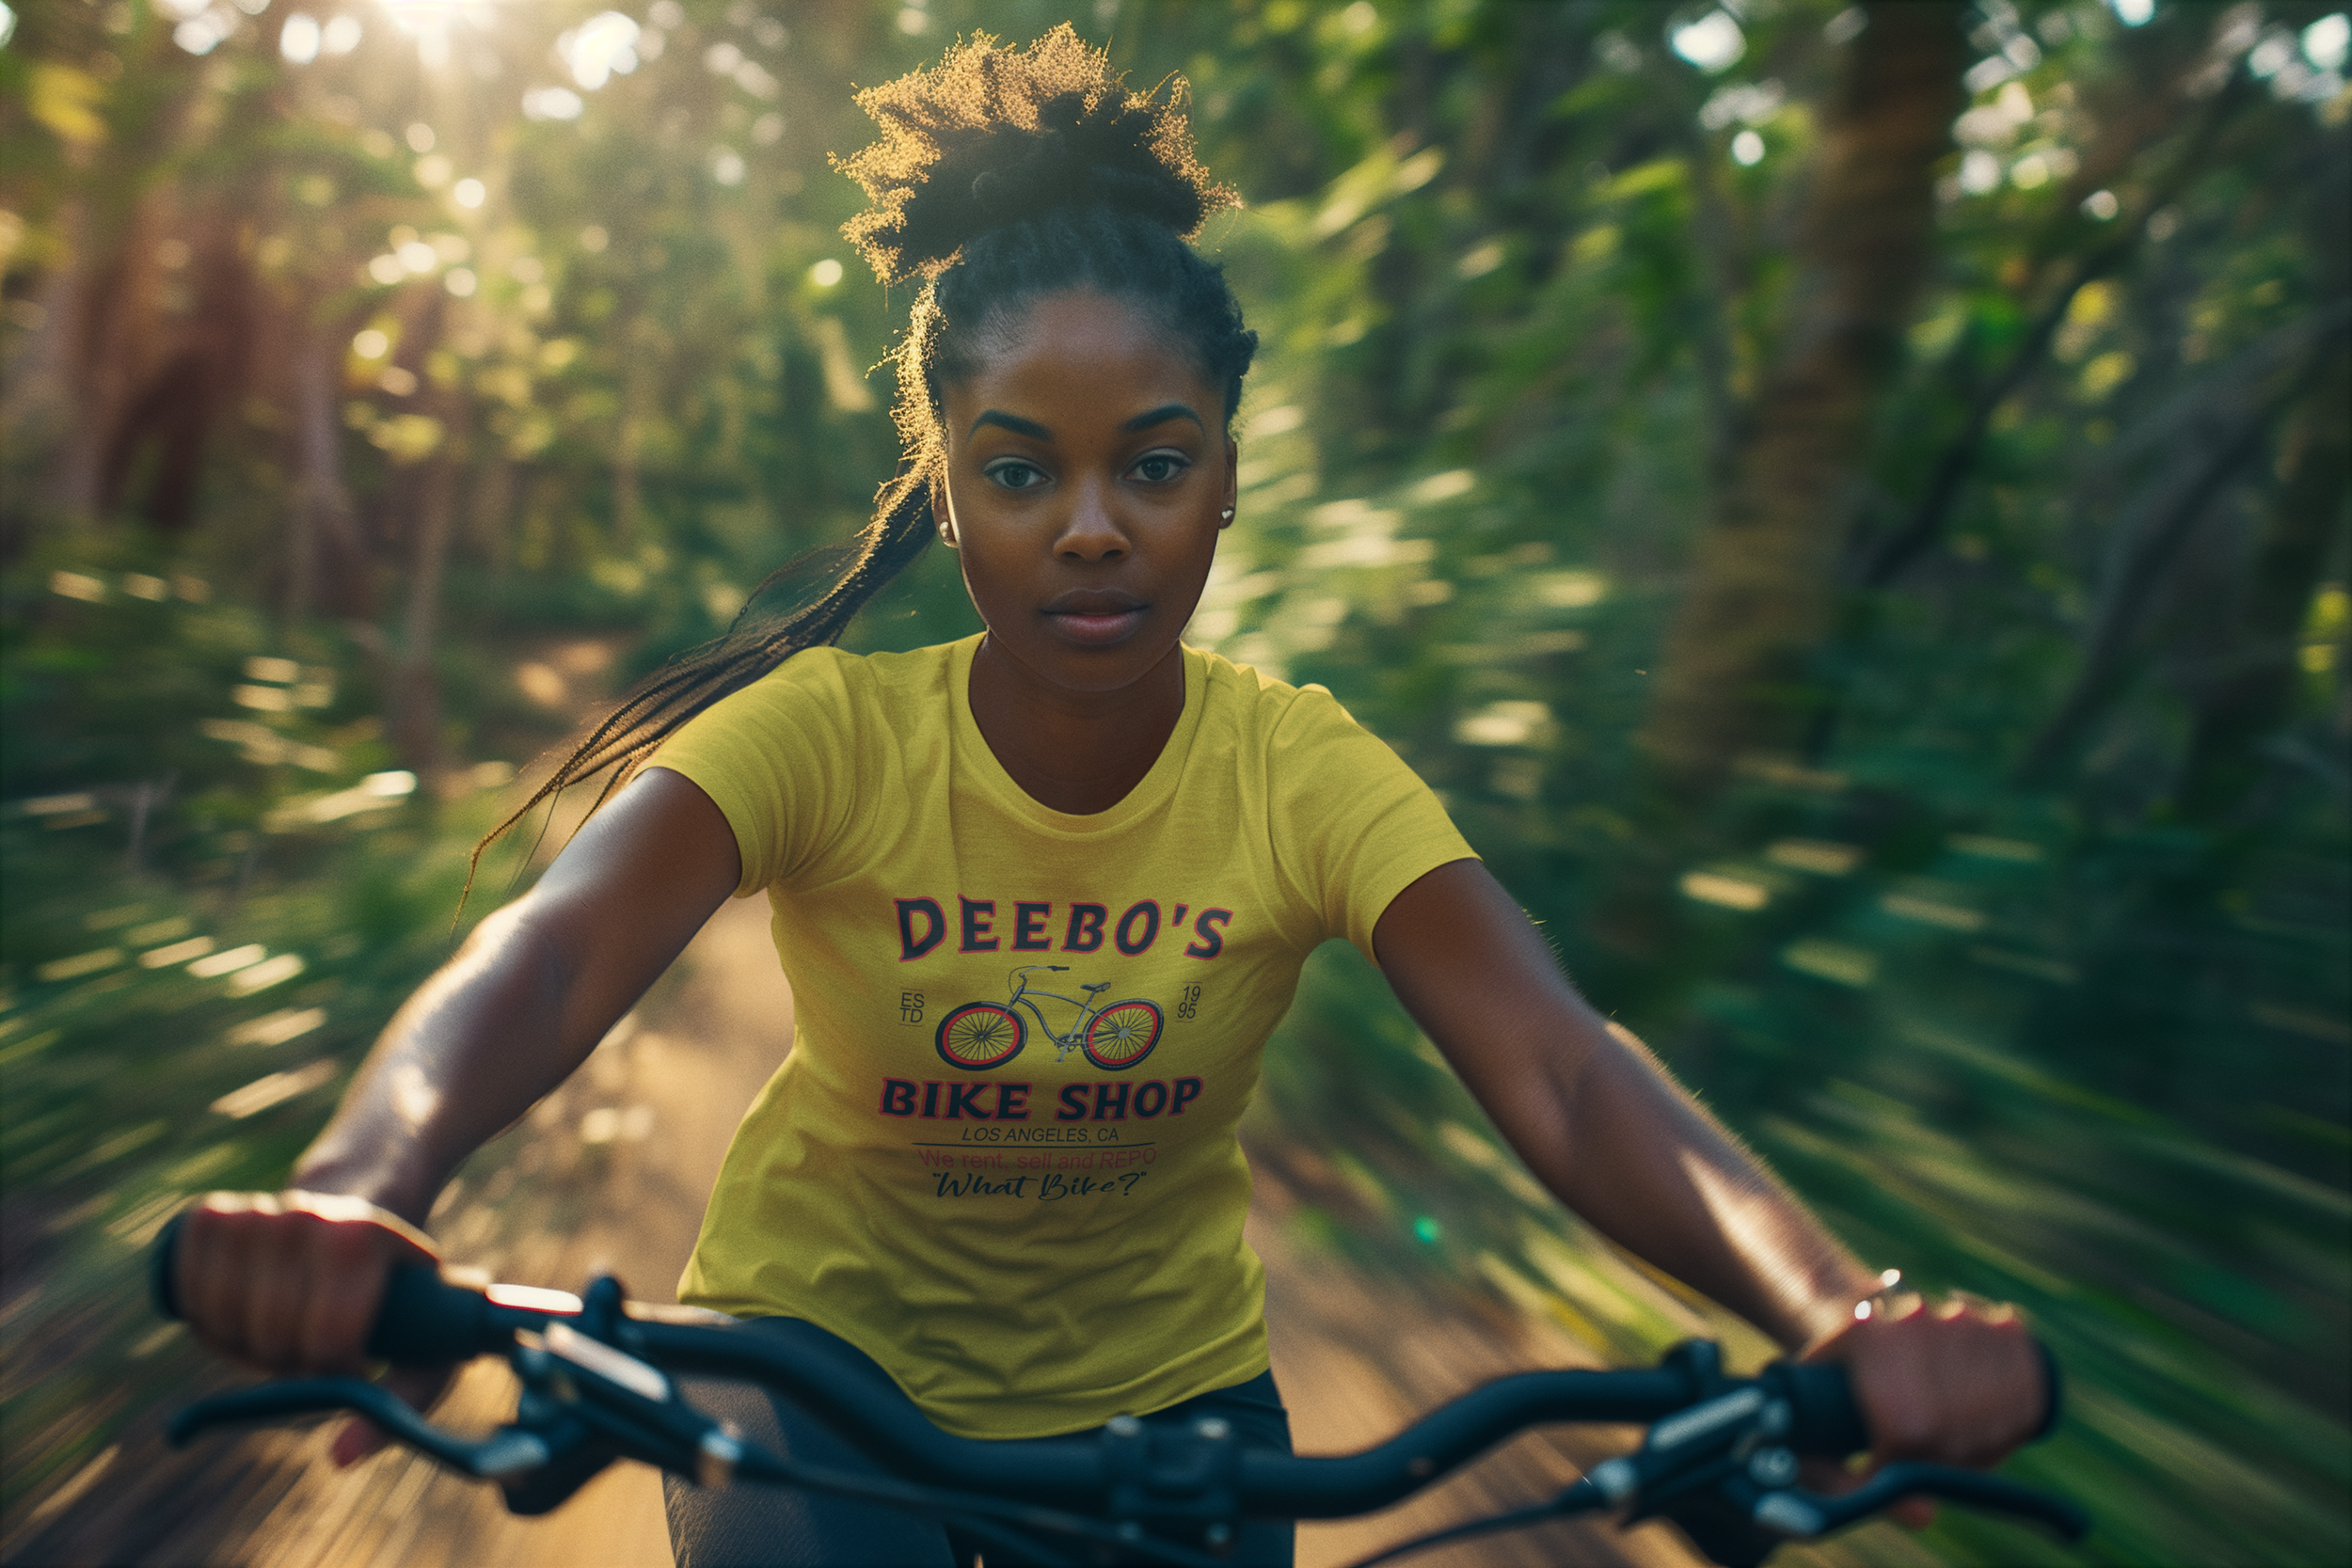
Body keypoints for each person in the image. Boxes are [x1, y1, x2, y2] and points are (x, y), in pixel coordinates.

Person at [170, 28, 2048, 1568]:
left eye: (1151, 462)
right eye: (1019, 469)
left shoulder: (1301, 770)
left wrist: (1832, 1309)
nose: (1088, 522)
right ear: (950, 481)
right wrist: (355, 1187)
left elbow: (1560, 1066)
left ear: (1223, 473)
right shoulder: (825, 736)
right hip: (798, 1365)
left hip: (1168, 1398)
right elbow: (553, 952)